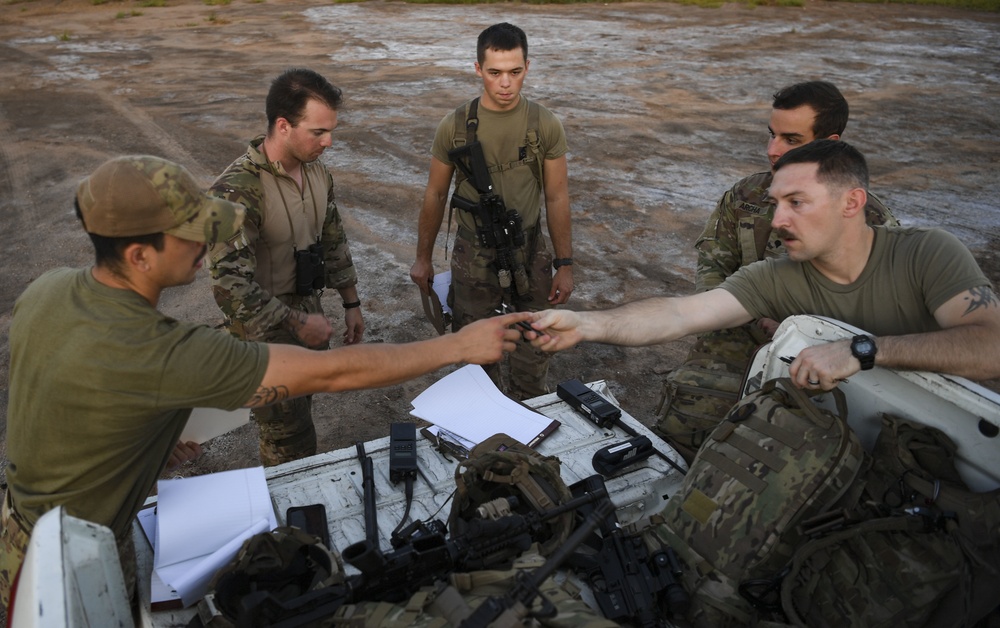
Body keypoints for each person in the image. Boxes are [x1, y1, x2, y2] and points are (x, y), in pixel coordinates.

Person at [0, 155, 531, 609]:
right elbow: (331, 371)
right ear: (138, 255)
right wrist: (457, 346)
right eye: (191, 231)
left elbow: (57, 391)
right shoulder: (156, 349)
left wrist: (140, 445)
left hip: (21, 524)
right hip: (70, 560)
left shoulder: (49, 290)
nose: (209, 240)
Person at [528, 140, 1000, 389]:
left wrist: (861, 351)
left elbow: (991, 347)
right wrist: (585, 324)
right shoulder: (776, 277)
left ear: (852, 202)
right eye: (776, 203)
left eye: (797, 202)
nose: (778, 220)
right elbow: (681, 314)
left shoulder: (927, 252)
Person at [655, 81, 899, 461]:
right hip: (735, 338)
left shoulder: (870, 221)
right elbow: (713, 261)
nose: (772, 150)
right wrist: (739, 312)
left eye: (790, 138)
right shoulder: (746, 196)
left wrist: (795, 332)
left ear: (828, 141)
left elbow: (882, 313)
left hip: (821, 359)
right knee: (682, 426)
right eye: (771, 134)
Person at [409, 22, 574, 401]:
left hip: (530, 248)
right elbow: (434, 196)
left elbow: (557, 198)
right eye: (495, 72)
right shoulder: (454, 126)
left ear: (527, 68)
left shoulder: (544, 124)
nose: (505, 83)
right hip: (475, 254)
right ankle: (485, 425)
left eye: (515, 72)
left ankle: (530, 414)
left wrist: (564, 264)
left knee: (535, 342)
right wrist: (422, 259)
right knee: (475, 351)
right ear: (478, 68)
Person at [209, 68, 365, 466]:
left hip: (305, 321)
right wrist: (296, 323)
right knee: (288, 443)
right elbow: (231, 290)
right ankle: (285, 518)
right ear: (283, 126)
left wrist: (351, 302)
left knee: (301, 419)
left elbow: (333, 239)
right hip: (264, 339)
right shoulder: (237, 190)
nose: (329, 142)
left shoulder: (318, 173)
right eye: (318, 132)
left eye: (330, 130)